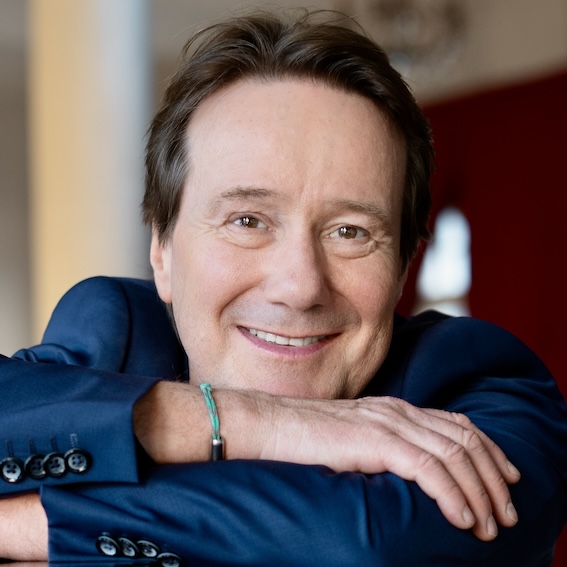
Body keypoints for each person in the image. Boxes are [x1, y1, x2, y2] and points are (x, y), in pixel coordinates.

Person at [0, 9, 566, 566]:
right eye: (248, 220)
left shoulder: (487, 384)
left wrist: (29, 525)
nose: (300, 286)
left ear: (401, 267)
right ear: (162, 252)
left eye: (350, 232)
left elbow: (369, 547)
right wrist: (254, 423)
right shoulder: (116, 329)